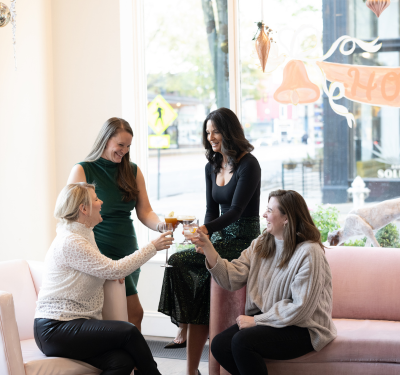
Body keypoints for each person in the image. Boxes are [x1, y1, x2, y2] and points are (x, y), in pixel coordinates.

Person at [158, 108, 261, 375]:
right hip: (218, 235)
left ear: (229, 131)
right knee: (180, 260)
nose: (211, 137)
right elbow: (211, 210)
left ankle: (182, 325)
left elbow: (236, 211)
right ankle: (191, 369)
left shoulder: (249, 164)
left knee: (186, 263)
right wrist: (202, 238)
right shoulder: (211, 166)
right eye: (207, 132)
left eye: (215, 131)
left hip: (241, 237)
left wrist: (203, 232)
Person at [192, 189, 337, 375]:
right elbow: (232, 278)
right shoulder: (262, 242)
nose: (264, 214)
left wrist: (257, 320)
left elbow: (301, 309)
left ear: (287, 218)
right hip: (274, 319)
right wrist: (209, 249)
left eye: (270, 210)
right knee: (220, 344)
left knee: (241, 342)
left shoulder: (309, 252)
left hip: (304, 327)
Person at [34, 183, 174, 375]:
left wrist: (114, 273)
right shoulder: (71, 241)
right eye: (96, 199)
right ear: (84, 208)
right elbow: (113, 269)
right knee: (129, 332)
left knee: (121, 362)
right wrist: (153, 247)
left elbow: (105, 268)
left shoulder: (84, 234)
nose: (101, 202)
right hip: (55, 328)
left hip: (73, 325)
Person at [68, 117, 165, 331]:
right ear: (105, 140)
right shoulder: (83, 170)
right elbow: (72, 215)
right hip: (100, 249)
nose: (124, 151)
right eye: (120, 145)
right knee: (133, 314)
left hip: (129, 250)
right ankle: (135, 364)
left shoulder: (132, 170)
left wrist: (160, 226)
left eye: (128, 146)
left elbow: (145, 211)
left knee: (116, 314)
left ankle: (121, 362)